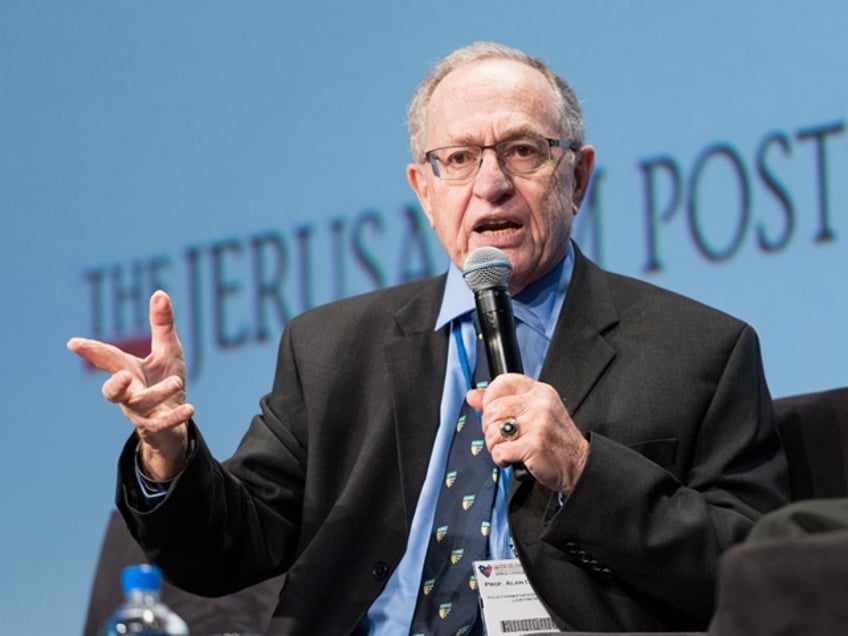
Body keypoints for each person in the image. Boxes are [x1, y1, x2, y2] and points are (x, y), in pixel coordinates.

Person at [69, 41, 788, 634]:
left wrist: (583, 470)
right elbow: (229, 550)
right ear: (424, 188)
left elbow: (755, 570)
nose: (493, 183)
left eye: (524, 152)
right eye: (460, 159)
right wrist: (167, 456)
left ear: (580, 175)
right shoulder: (329, 350)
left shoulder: (699, 352)